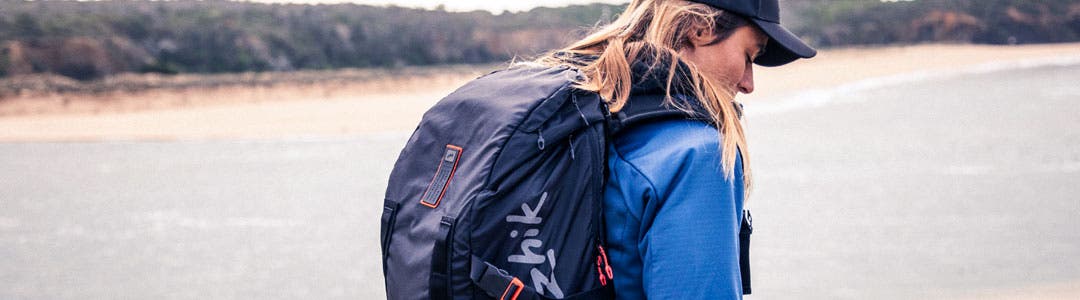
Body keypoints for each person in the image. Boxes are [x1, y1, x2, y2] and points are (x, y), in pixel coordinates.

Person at [534, 0, 816, 298]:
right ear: (700, 29)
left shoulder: (577, 112)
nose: (748, 84)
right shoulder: (698, 154)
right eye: (748, 55)